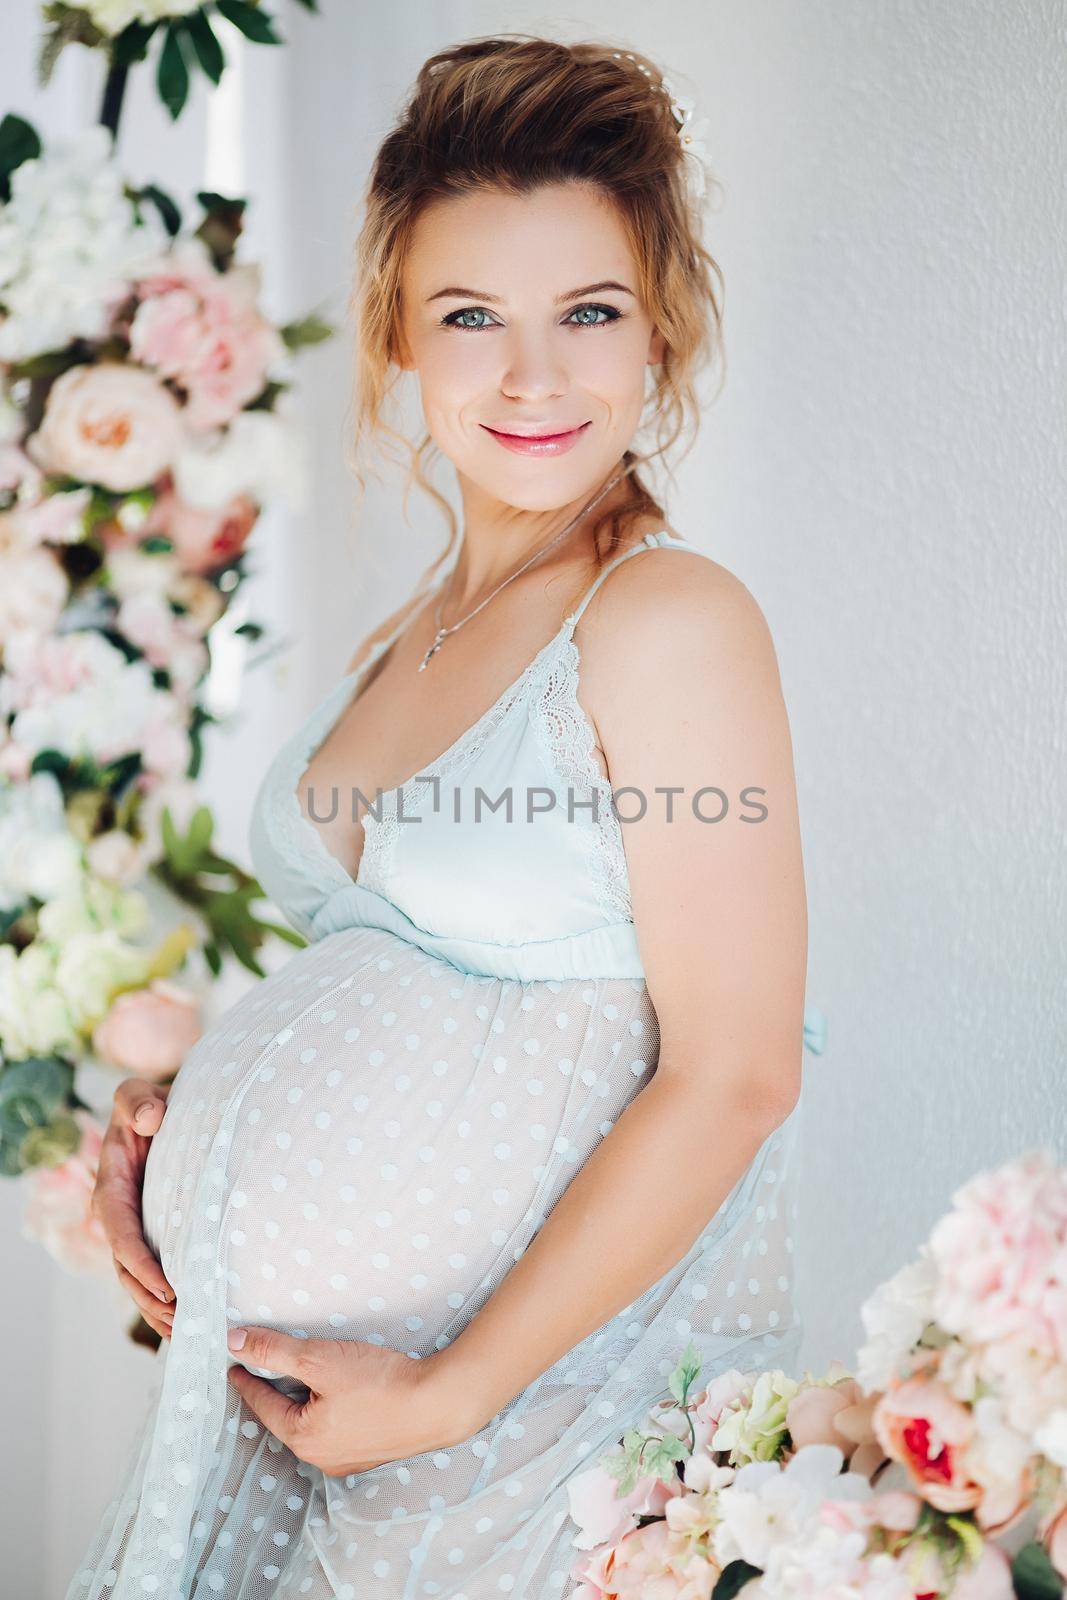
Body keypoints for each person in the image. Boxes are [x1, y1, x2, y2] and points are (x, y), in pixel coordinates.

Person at [72, 34, 824, 1599]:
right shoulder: (419, 624)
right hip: (311, 1433)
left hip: (534, 1438)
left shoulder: (665, 618)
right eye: (471, 318)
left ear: (661, 333)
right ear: (398, 343)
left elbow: (737, 1073)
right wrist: (189, 1138)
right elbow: (406, 988)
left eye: (588, 314)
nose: (533, 377)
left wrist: (452, 1389)